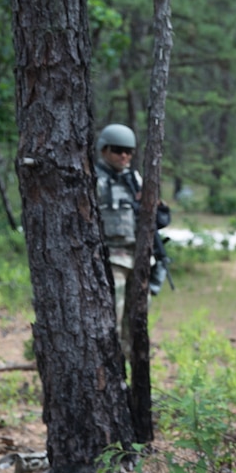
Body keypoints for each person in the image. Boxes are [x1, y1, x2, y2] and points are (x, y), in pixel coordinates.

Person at [94, 123, 171, 357]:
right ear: (104, 150)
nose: (124, 155)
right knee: (112, 322)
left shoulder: (136, 180)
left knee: (136, 326)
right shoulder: (95, 180)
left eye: (129, 151)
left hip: (138, 262)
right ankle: (110, 374)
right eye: (117, 150)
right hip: (112, 261)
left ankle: (130, 374)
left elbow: (160, 219)